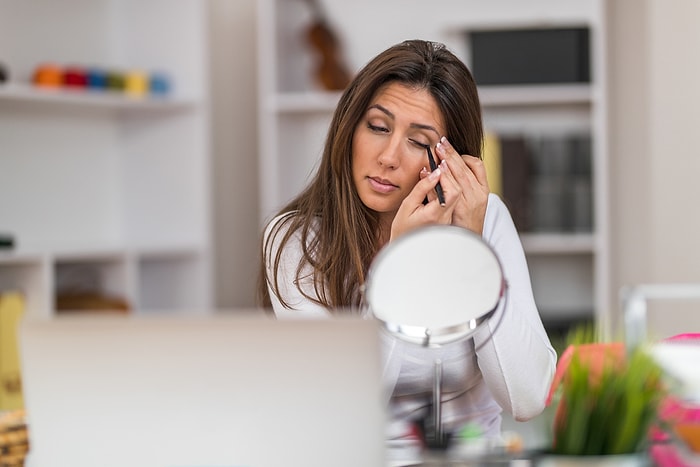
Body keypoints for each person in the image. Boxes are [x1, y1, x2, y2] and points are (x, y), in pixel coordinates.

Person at [258, 39, 556, 442]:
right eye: (378, 127)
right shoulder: (295, 238)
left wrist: (473, 249)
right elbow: (339, 407)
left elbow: (527, 398)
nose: (388, 156)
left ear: (446, 161)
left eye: (418, 142)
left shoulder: (484, 217)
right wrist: (400, 264)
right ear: (349, 127)